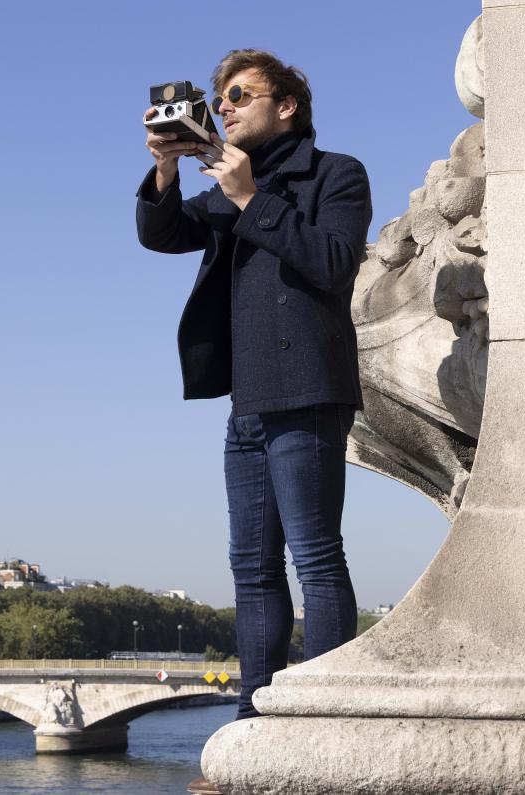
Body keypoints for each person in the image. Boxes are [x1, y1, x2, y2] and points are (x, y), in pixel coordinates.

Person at [135, 49, 373, 724]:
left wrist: (249, 199)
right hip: (247, 401)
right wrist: (166, 167)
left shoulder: (336, 173)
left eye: (241, 95)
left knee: (315, 558)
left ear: (286, 106)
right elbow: (162, 234)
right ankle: (253, 721)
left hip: (308, 391)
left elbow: (334, 262)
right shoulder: (227, 184)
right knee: (252, 566)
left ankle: (325, 717)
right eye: (220, 99)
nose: (225, 107)